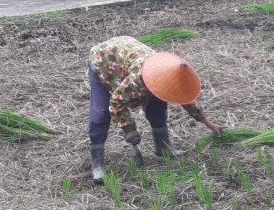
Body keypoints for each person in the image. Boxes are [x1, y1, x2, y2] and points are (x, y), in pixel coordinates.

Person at [88, 36, 224, 183]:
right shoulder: (137, 81)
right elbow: (116, 101)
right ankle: (98, 164)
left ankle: (163, 147)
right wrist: (129, 129)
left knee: (158, 103)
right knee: (101, 113)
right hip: (103, 60)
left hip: (129, 57)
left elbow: (183, 98)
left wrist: (206, 122)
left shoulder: (171, 75)